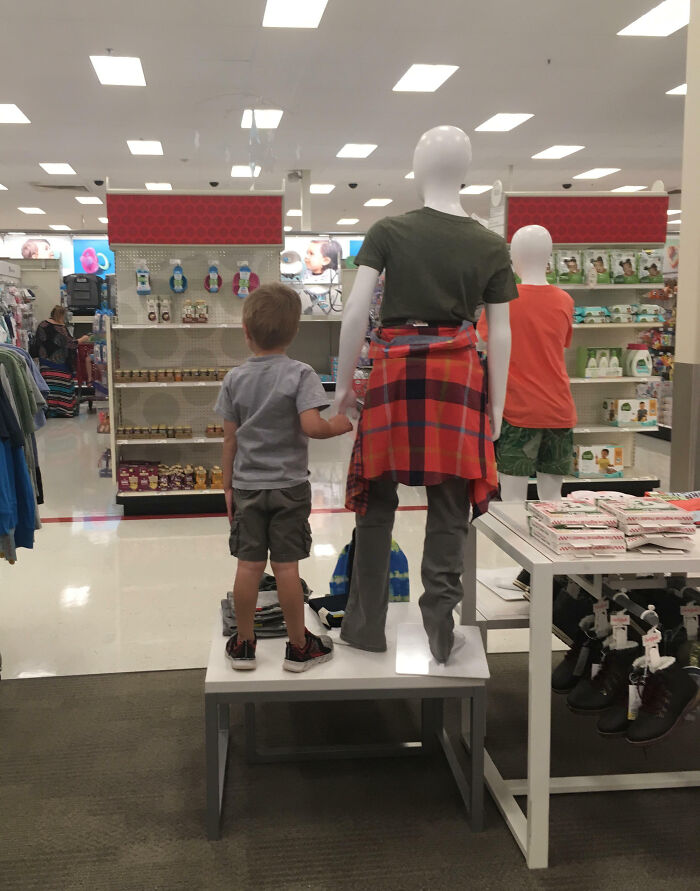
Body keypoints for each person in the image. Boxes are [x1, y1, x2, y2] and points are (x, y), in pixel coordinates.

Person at [215, 283, 353, 672]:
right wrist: (338, 425)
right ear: (295, 332)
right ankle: (298, 646)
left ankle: (244, 644)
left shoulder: (234, 379)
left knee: (248, 567)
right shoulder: (302, 374)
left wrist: (227, 486)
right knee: (287, 569)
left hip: (246, 487)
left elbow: (229, 440)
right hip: (290, 487)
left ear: (246, 331)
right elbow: (312, 426)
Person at [30, 305, 89, 418]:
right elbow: (70, 344)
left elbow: (36, 343)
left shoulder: (42, 325)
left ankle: (48, 410)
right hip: (61, 365)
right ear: (62, 315)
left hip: (45, 365)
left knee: (49, 388)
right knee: (62, 388)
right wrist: (83, 339)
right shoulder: (60, 328)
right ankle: (63, 410)